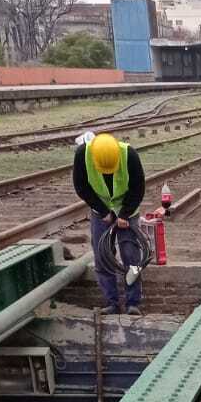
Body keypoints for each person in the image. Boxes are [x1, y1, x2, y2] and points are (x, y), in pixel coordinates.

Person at [73, 132, 146, 314]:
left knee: (132, 257)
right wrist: (103, 211)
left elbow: (138, 188)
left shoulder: (129, 155)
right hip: (101, 209)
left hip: (126, 209)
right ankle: (112, 302)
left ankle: (133, 303)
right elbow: (81, 187)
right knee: (103, 255)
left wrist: (124, 214)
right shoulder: (83, 155)